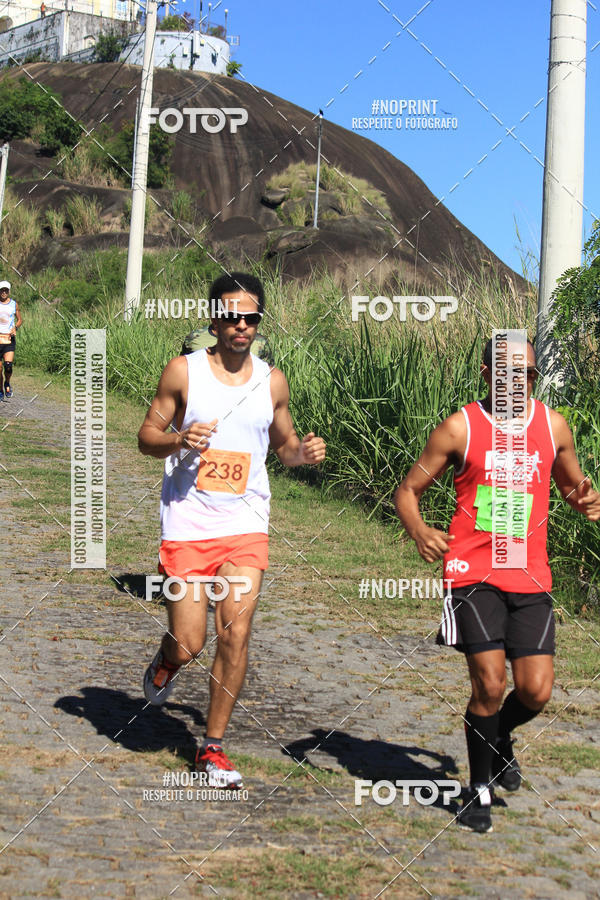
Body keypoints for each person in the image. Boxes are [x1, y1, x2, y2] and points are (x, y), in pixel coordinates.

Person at [395, 336, 600, 833]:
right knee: (489, 684)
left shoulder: (551, 426)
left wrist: (586, 500)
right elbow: (408, 491)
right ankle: (478, 787)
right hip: (473, 574)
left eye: (527, 374)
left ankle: (500, 737)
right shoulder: (460, 427)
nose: (518, 382)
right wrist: (420, 530)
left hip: (529, 573)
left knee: (536, 690)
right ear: (488, 375)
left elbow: (572, 485)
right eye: (508, 374)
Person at [138, 272, 326, 787]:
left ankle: (213, 747)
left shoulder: (272, 381)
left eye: (251, 317)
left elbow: (284, 447)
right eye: (231, 316)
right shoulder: (183, 372)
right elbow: (147, 437)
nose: (241, 325)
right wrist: (179, 439)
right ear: (215, 320)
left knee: (235, 632)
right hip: (187, 521)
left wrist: (304, 454)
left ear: (259, 321)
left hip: (245, 523)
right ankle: (167, 660)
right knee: (189, 642)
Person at [0, 281, 22, 401]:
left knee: (8, 366)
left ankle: (7, 382)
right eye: (2, 290)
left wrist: (15, 328)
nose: (4, 292)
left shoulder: (14, 304)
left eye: (6, 290)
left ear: (9, 291)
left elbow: (20, 320)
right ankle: (0, 390)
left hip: (9, 339)